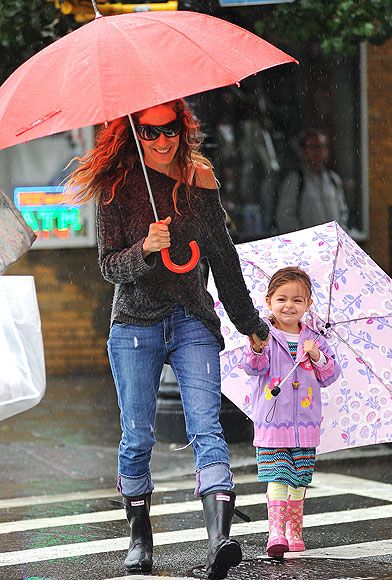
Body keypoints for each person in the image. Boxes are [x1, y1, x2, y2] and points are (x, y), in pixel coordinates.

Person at [66, 98, 269, 579]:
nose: (162, 141)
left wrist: (250, 324)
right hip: (135, 324)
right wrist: (145, 249)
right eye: (151, 133)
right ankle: (140, 540)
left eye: (170, 130)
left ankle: (221, 539)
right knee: (138, 435)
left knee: (206, 427)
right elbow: (109, 267)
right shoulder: (117, 188)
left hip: (191, 319)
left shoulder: (200, 181)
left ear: (183, 128)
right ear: (135, 135)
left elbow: (224, 259)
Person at [241, 266, 340, 558]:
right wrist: (257, 349)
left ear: (308, 305)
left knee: (299, 479)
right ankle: (276, 532)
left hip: (306, 424)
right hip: (273, 423)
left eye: (297, 300)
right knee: (277, 475)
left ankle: (294, 531)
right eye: (282, 299)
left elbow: (329, 374)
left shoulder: (315, 338)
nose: (289, 306)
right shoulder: (264, 334)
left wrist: (317, 355)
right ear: (269, 301)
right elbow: (253, 368)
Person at [275, 128, 349, 234]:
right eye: (312, 147)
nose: (317, 152)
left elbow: (343, 213)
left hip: (331, 246)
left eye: (320, 147)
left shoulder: (334, 180)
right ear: (305, 151)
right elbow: (285, 218)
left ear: (326, 151)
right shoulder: (295, 181)